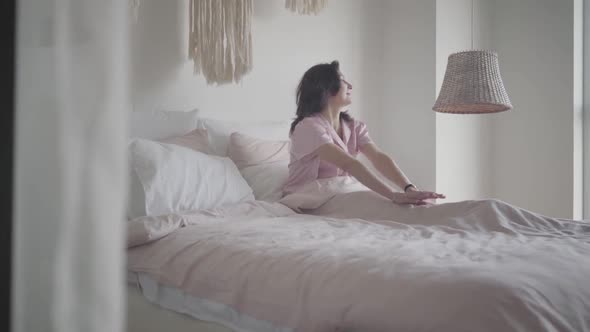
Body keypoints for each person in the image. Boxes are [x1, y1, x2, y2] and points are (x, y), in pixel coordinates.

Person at [283, 60, 445, 206]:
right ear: (326, 88)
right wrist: (392, 195)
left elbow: (378, 157)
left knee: (395, 207)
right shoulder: (308, 127)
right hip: (308, 199)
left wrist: (408, 188)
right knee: (384, 205)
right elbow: (348, 163)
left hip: (341, 192)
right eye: (342, 80)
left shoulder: (354, 126)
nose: (350, 86)